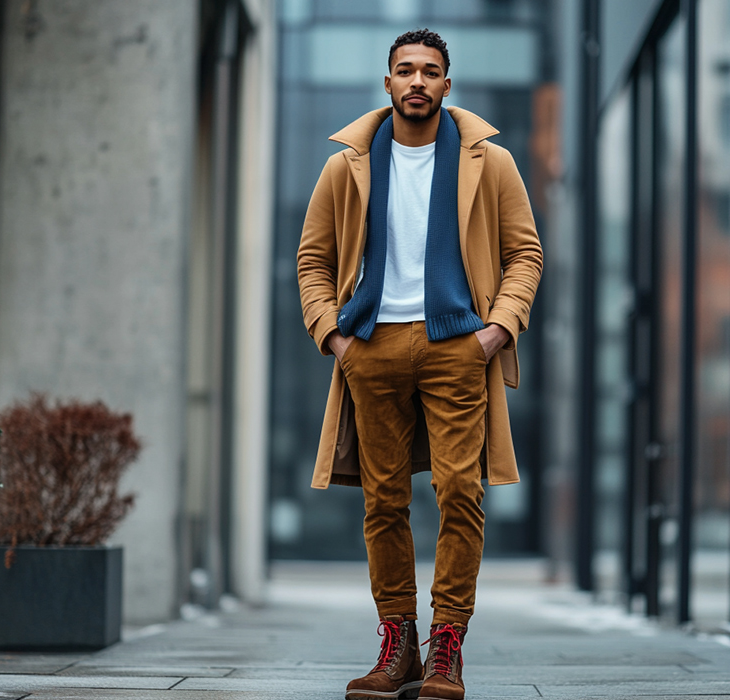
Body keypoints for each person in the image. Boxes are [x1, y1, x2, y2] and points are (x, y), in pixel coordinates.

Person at [297, 28, 542, 700]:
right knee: (383, 501)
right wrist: (336, 340)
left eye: (430, 71)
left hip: (456, 346)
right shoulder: (346, 164)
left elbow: (526, 253)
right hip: (371, 348)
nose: (417, 82)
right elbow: (313, 261)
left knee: (460, 492)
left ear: (446, 84)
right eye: (405, 70)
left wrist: (495, 332)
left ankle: (447, 647)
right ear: (387, 83)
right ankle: (397, 642)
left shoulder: (488, 161)